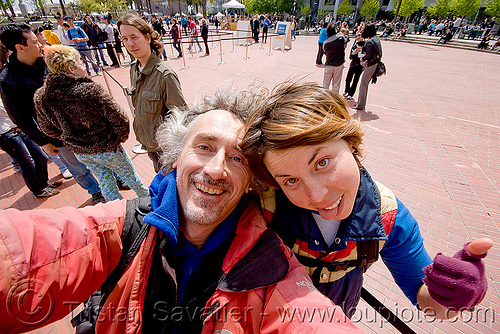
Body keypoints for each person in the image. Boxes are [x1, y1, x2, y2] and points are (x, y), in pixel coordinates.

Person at [0, 84, 363, 334]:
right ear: (174, 159)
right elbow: (29, 251)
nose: (216, 169)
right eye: (204, 147)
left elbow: (305, 318)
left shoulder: (268, 264)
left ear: (251, 180)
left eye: (236, 157)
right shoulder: (117, 228)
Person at [241, 81, 492, 319]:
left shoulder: (388, 217)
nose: (317, 196)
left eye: (322, 163)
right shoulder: (262, 208)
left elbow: (428, 304)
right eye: (291, 181)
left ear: (350, 142)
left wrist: (455, 293)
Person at [0, 23, 105, 204]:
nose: (41, 43)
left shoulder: (49, 60)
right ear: (20, 47)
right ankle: (96, 191)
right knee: (78, 168)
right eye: (34, 41)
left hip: (82, 125)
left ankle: (113, 178)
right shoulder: (9, 80)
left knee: (102, 155)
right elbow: (20, 117)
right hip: (56, 135)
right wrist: (43, 142)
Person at [34, 45, 149, 202]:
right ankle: (149, 203)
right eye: (80, 62)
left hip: (82, 152)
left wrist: (69, 137)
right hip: (108, 147)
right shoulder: (89, 90)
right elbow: (119, 118)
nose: (84, 66)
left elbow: (47, 128)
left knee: (105, 181)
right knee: (132, 179)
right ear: (70, 69)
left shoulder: (42, 96)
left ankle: (117, 212)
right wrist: (117, 139)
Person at [118, 12, 187, 172]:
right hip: (149, 143)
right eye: (125, 39)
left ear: (147, 38)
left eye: (134, 37)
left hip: (164, 149)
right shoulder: (134, 68)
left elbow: (180, 115)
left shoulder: (164, 74)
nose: (130, 44)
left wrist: (175, 151)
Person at [354, 24, 381, 111]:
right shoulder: (376, 39)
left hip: (371, 64)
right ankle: (361, 103)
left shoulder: (370, 41)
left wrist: (362, 58)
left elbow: (368, 55)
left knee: (363, 85)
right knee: (365, 85)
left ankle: (360, 104)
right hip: (375, 63)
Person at [322, 24, 347, 94]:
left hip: (329, 65)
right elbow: (346, 39)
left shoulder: (326, 43)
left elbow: (324, 52)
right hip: (339, 65)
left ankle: (324, 98)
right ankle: (334, 99)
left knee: (325, 84)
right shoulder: (341, 38)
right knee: (336, 84)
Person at [343, 32, 364, 100]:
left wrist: (360, 52)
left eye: (359, 35)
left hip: (360, 65)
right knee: (348, 79)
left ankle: (351, 94)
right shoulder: (355, 44)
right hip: (353, 64)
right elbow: (351, 56)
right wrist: (354, 53)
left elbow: (365, 55)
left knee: (355, 80)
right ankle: (347, 90)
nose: (357, 37)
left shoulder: (365, 44)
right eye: (356, 36)